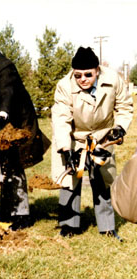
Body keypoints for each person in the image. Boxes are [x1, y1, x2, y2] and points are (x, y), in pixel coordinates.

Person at [51, 46, 133, 240]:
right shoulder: (64, 86)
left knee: (103, 181)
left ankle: (106, 227)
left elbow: (124, 105)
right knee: (70, 181)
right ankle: (69, 225)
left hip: (102, 137)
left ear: (98, 70)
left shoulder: (113, 80)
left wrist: (120, 127)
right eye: (77, 75)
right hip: (74, 137)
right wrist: (65, 149)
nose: (83, 80)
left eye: (88, 74)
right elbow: (61, 118)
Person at [0, 31, 46, 230]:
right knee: (1, 166)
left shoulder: (5, 67)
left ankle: (22, 215)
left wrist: (3, 114)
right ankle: (7, 211)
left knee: (14, 166)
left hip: (18, 123)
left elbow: (8, 92)